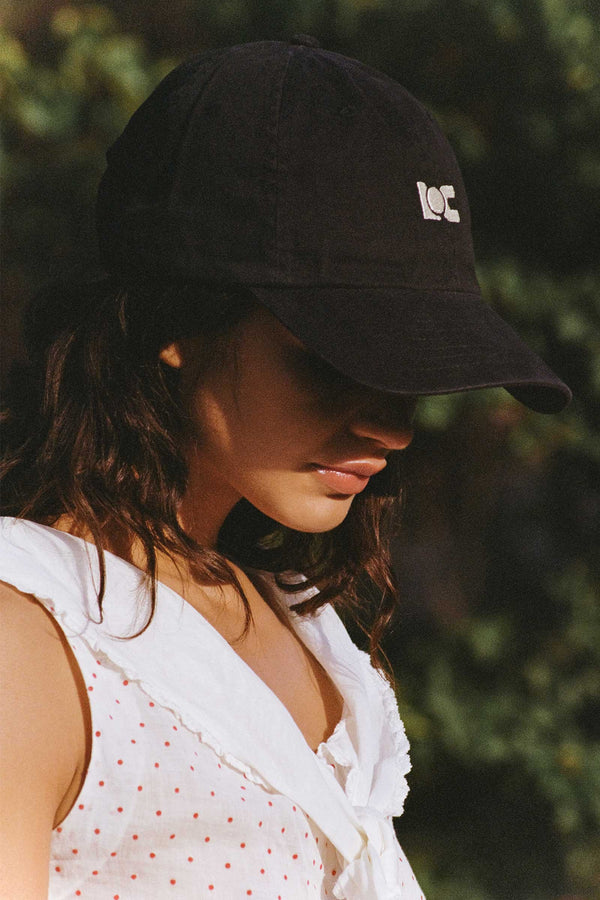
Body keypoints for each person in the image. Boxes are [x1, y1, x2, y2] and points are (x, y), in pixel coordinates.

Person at [0, 37, 571, 900]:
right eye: (336, 362)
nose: (391, 427)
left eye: (412, 377)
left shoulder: (294, 621)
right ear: (177, 320)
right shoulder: (32, 647)